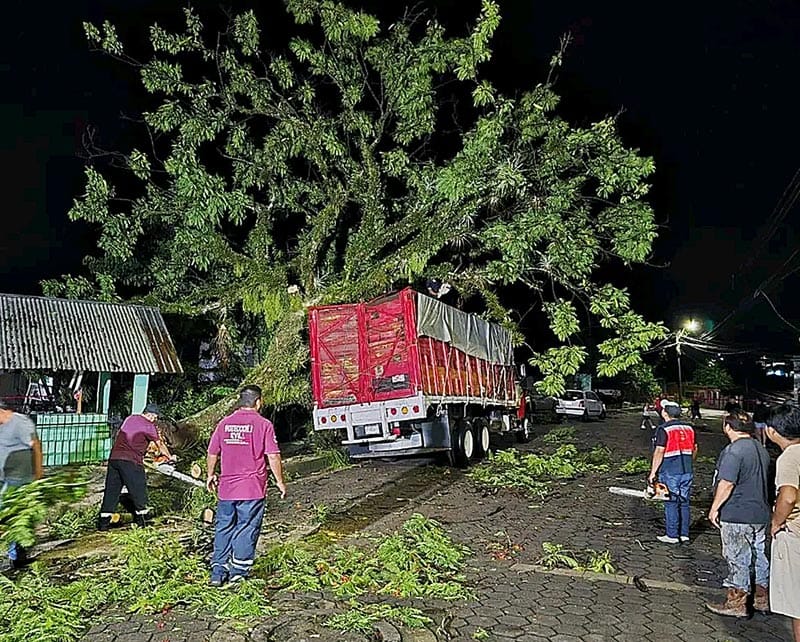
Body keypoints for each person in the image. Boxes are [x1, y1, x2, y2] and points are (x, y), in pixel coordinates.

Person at [206, 385, 287, 587]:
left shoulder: (224, 423)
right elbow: (273, 455)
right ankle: (238, 572)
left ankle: (218, 572)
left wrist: (210, 475)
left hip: (227, 489)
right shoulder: (263, 424)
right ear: (258, 402)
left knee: (223, 527)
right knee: (247, 528)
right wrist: (279, 481)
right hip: (252, 489)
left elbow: (212, 452)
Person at [705, 413, 771, 617]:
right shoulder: (761, 449)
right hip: (759, 513)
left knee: (737, 557)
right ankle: (761, 598)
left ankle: (737, 602)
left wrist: (714, 508)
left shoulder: (733, 451)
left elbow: (727, 483)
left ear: (727, 427)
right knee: (758, 554)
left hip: (737, 512)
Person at [98, 402, 174, 530]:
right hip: (131, 461)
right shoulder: (149, 425)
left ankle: (103, 523)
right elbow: (160, 444)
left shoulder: (130, 418)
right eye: (155, 417)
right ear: (151, 415)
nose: (155, 420)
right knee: (139, 489)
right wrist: (170, 457)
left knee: (112, 491)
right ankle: (143, 521)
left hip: (114, 458)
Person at [764, 403, 800, 642]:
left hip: (796, 534)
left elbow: (787, 496)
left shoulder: (789, 457)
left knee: (797, 603)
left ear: (772, 431)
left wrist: (776, 523)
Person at [0, 402, 43, 566]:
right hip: (4, 477)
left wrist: (38, 473)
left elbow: (36, 447)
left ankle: (17, 556)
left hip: (19, 479)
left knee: (17, 517)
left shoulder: (20, 422)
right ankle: (17, 555)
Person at [648, 399, 697, 543]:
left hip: (670, 471)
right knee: (684, 502)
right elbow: (695, 448)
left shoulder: (664, 429)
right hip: (687, 471)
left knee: (671, 502)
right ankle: (684, 534)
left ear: (665, 413)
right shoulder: (689, 428)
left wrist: (653, 472)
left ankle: (672, 535)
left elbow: (659, 451)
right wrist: (689, 462)